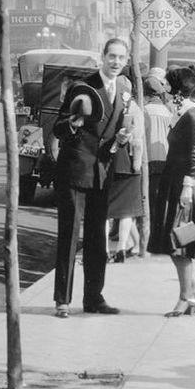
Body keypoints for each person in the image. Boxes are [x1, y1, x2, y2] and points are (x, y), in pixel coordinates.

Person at [51, 37, 131, 318]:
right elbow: (59, 128)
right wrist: (74, 122)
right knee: (70, 235)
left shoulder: (124, 88)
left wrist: (121, 138)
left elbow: (119, 126)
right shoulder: (82, 88)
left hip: (103, 171)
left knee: (98, 237)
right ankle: (63, 299)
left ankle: (94, 298)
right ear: (102, 56)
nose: (116, 62)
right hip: (75, 169)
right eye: (112, 56)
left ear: (126, 60)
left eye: (121, 57)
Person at [148, 64, 195, 316]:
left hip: (184, 184)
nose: (163, 88)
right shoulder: (182, 111)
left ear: (175, 89)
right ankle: (193, 291)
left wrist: (188, 186)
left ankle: (187, 296)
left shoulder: (192, 115)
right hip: (174, 180)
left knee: (179, 240)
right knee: (174, 240)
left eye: (166, 85)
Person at [107, 75, 144, 262]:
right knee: (126, 211)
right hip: (131, 162)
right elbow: (138, 138)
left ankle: (104, 248)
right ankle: (121, 248)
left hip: (111, 159)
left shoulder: (109, 104)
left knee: (106, 210)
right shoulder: (135, 108)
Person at [142, 69, 175, 234]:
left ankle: (154, 232)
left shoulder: (145, 111)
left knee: (150, 198)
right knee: (162, 196)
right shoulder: (168, 111)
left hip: (149, 158)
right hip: (166, 157)